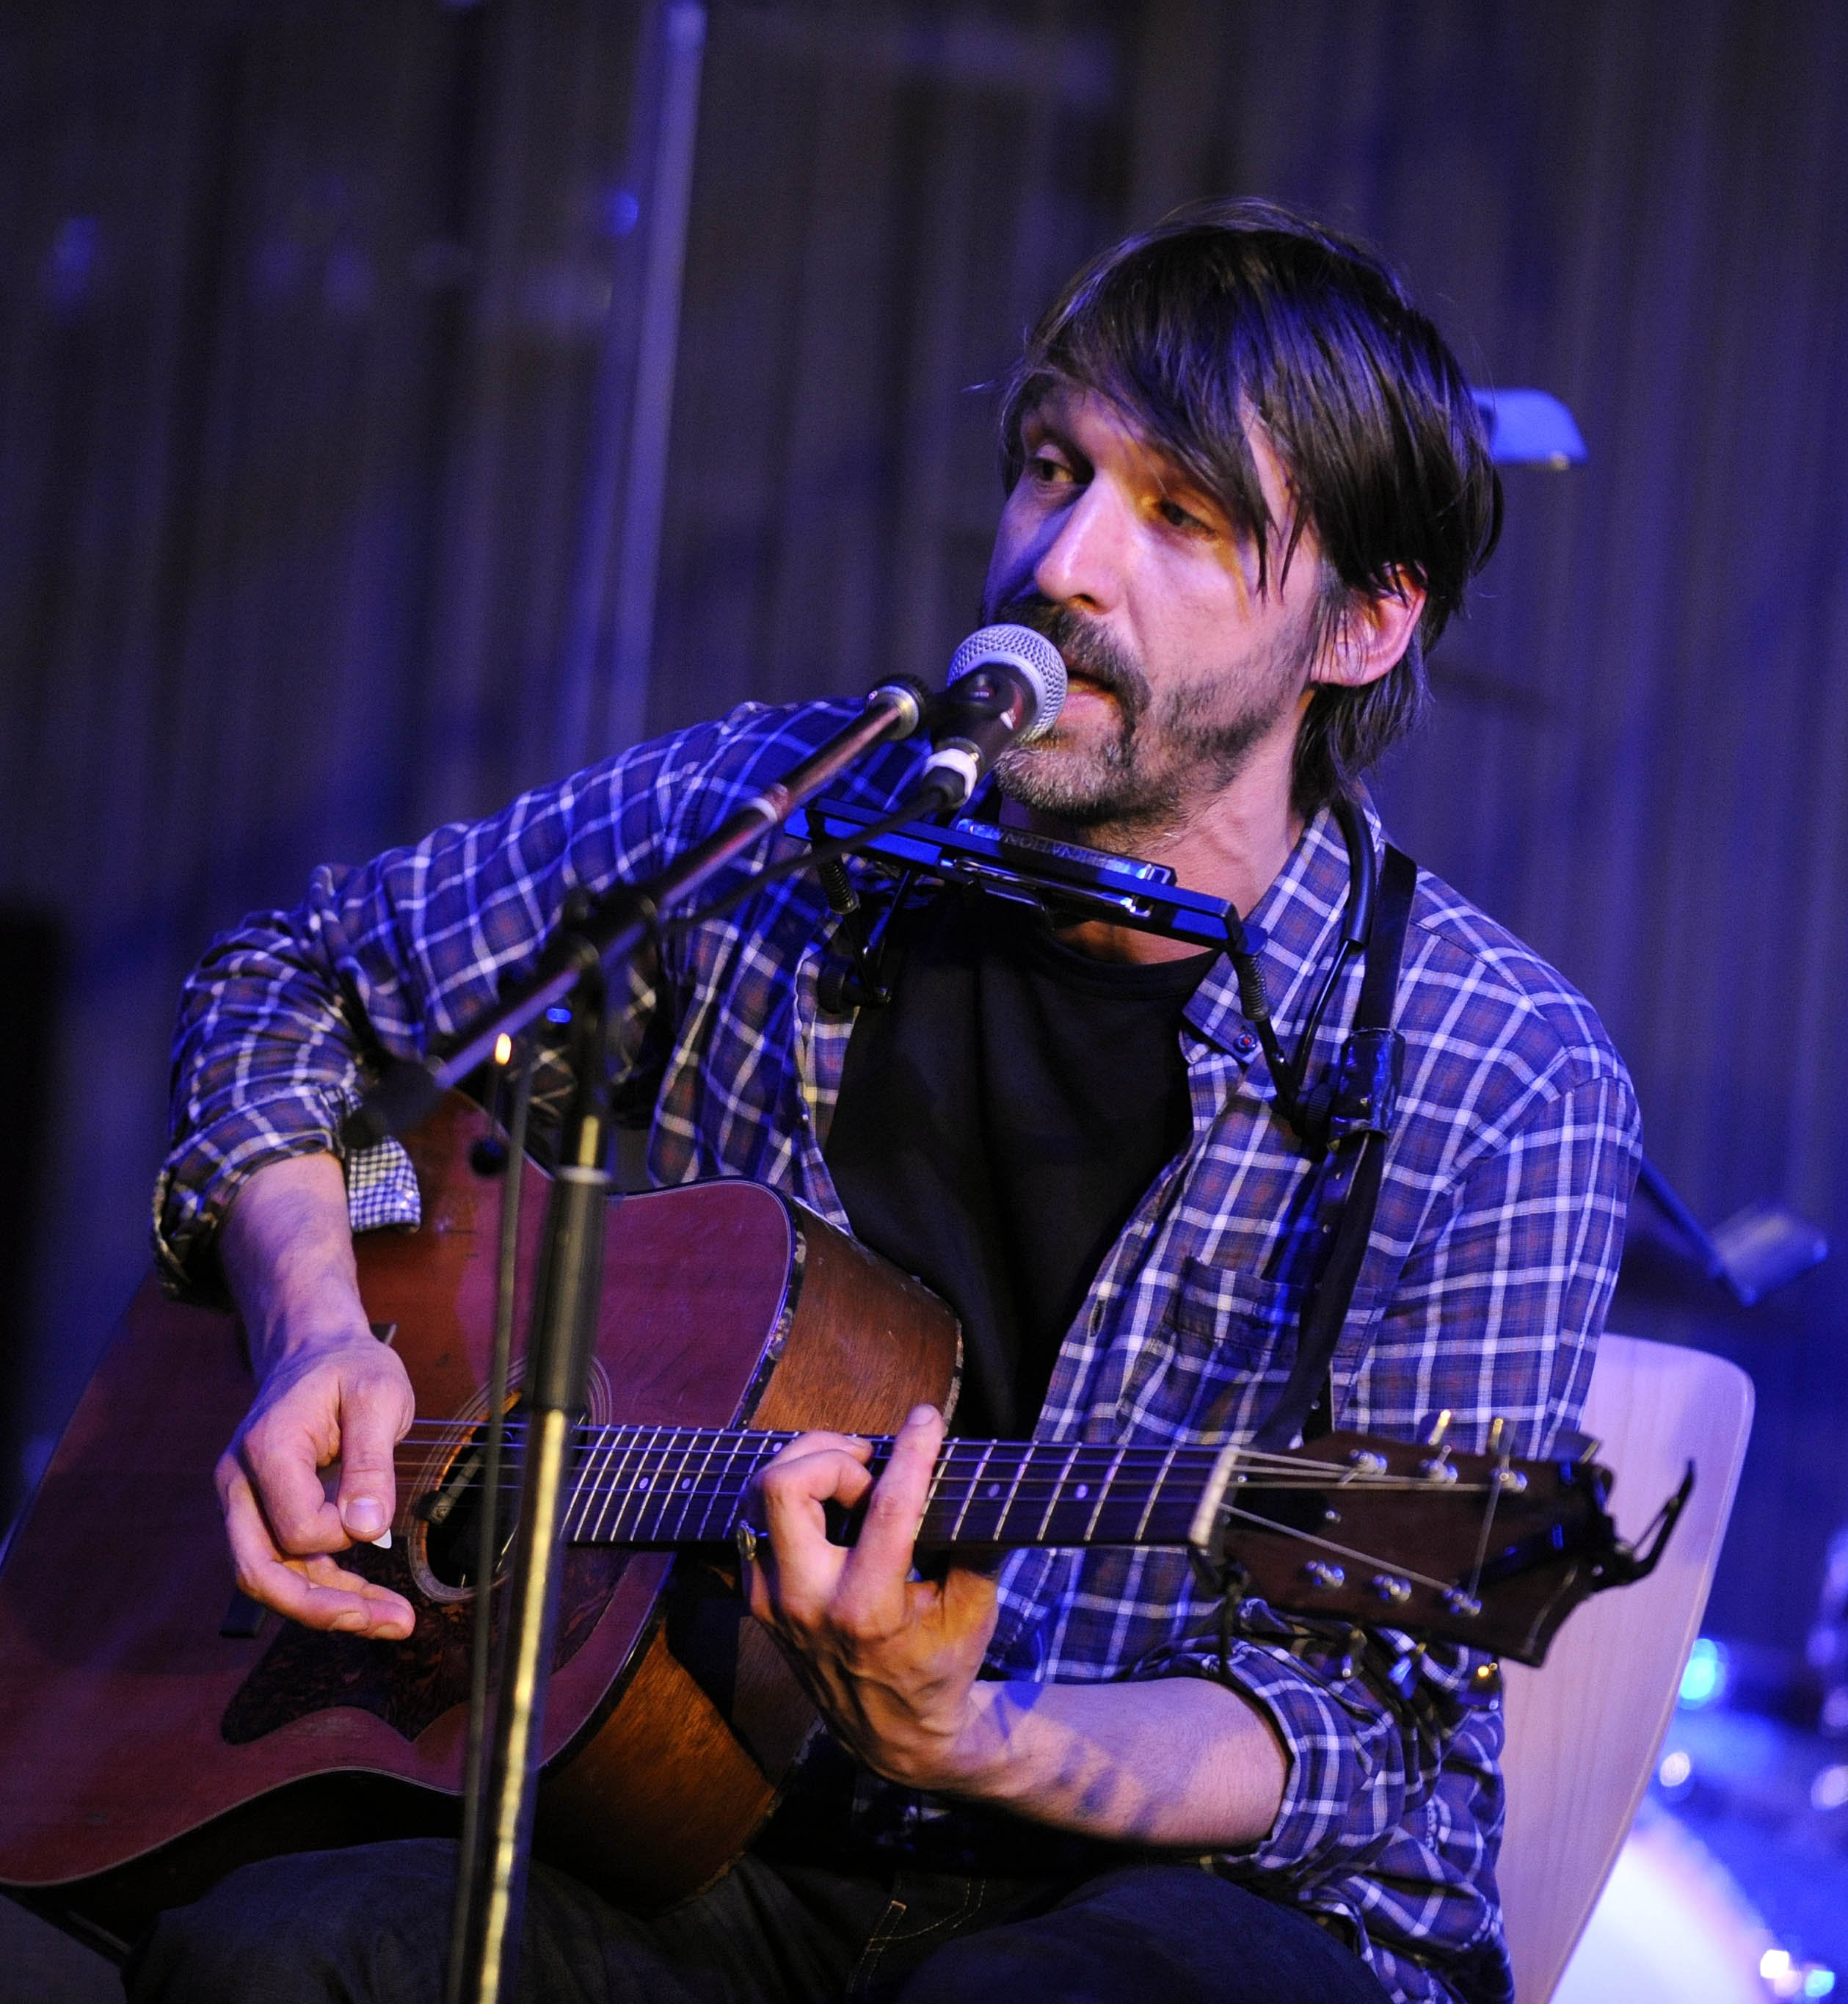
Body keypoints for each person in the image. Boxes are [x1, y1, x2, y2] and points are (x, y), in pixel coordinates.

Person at [137, 200, 1640, 2004]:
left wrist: (966, 1735)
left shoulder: (1495, 1076)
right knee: (272, 1969)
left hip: (1181, 1895)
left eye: (1182, 517)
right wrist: (315, 1325)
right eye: (1049, 468)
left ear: (1364, 624)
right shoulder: (782, 821)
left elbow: (1361, 1731)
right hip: (696, 1813)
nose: (1065, 562)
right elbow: (294, 975)